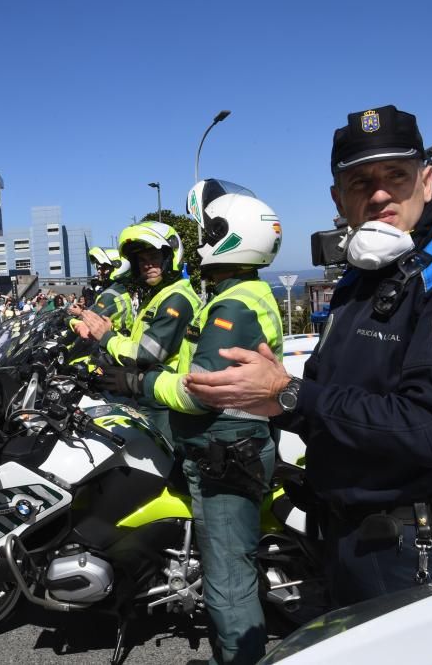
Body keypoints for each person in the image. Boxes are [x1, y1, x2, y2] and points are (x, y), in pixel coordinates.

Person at [185, 105, 432, 606]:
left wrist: (289, 393)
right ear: (338, 198)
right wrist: (266, 402)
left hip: (415, 549)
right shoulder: (361, 278)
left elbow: (428, 430)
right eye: (360, 182)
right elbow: (331, 394)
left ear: (427, 183)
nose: (381, 193)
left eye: (396, 176)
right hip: (346, 534)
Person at [98, 193, 285, 665]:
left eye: (213, 233)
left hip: (226, 450)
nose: (204, 242)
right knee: (221, 565)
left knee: (228, 577)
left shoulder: (236, 306)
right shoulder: (233, 295)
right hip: (218, 445)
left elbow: (199, 392)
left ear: (235, 237)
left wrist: (138, 381)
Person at [79, 221, 200, 437]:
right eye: (142, 260)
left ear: (169, 257)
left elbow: (147, 354)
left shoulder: (176, 299)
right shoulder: (157, 296)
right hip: (148, 391)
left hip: (164, 401)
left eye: (154, 257)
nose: (147, 265)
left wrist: (107, 337)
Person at [73, 247, 133, 338]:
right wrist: (84, 310)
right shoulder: (118, 289)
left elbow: (90, 323)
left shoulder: (110, 294)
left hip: (112, 341)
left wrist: (68, 320)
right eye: (99, 267)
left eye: (104, 267)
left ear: (118, 267)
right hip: (119, 338)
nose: (99, 271)